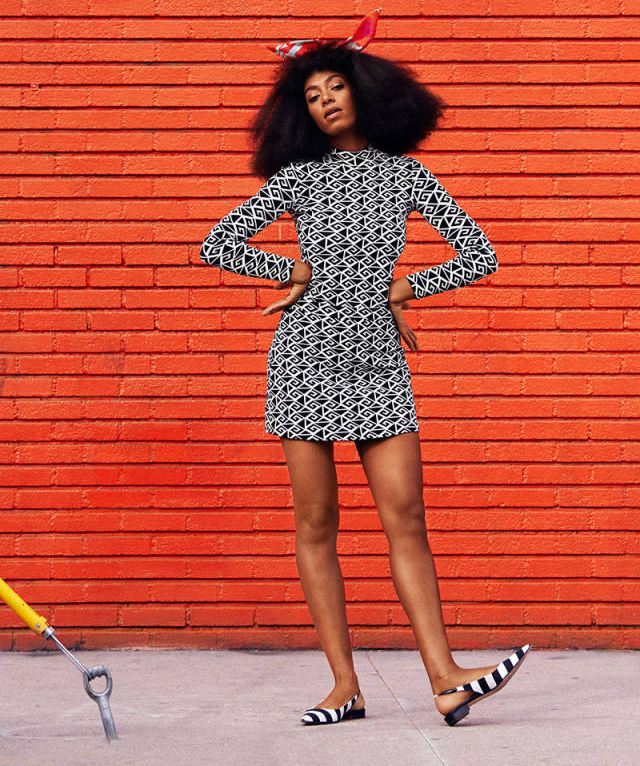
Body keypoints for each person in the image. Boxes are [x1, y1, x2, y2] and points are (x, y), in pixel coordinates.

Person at [200, 8, 531, 727]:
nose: (325, 101)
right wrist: (287, 269)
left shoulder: (405, 175)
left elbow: (478, 254)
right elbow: (218, 243)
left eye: (335, 88)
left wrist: (407, 287)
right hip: (304, 357)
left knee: (406, 517)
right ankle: (344, 685)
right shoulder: (296, 179)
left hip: (378, 360)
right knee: (316, 523)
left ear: (362, 91)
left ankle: (446, 678)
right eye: (312, 95)